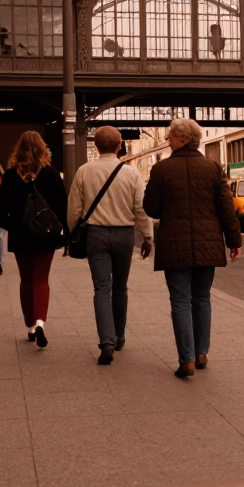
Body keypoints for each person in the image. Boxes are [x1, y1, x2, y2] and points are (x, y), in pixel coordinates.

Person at [143, 118, 241, 378]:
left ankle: (185, 360)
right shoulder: (212, 168)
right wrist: (234, 241)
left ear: (182, 139)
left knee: (180, 301)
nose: (168, 141)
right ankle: (201, 354)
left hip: (175, 245)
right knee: (201, 298)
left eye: (170, 138)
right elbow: (226, 209)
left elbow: (151, 208)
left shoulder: (161, 170)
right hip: (207, 244)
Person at [67, 125, 154, 366]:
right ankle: (119, 336)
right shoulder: (131, 174)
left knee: (101, 288)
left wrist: (74, 232)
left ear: (95, 146)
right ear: (119, 147)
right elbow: (141, 209)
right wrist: (147, 237)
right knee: (120, 288)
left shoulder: (84, 171)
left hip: (95, 234)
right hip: (124, 235)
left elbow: (74, 209)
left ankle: (106, 341)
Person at [0, 132, 67, 348]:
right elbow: (63, 207)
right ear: (43, 149)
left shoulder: (9, 176)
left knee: (26, 280)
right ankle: (40, 322)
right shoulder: (52, 175)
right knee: (41, 279)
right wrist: (63, 234)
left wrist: (14, 225)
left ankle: (30, 326)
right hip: (45, 235)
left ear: (18, 149)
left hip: (20, 235)